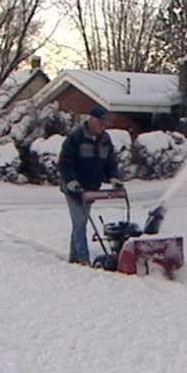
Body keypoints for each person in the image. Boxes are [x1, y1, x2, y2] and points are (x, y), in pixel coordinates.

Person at [58, 107, 123, 265]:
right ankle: (83, 259)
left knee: (81, 223)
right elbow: (65, 162)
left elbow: (110, 164)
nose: (103, 126)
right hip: (73, 189)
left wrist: (114, 178)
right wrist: (72, 181)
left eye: (105, 124)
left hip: (91, 190)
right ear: (91, 120)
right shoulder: (76, 137)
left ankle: (74, 257)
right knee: (80, 222)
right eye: (100, 123)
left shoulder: (105, 140)